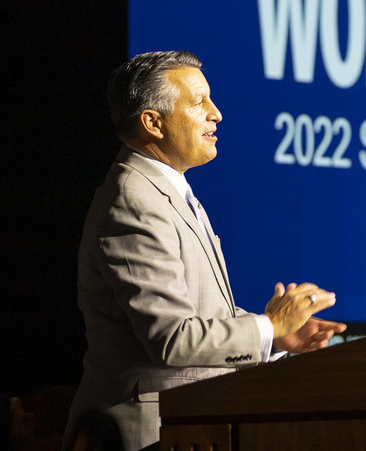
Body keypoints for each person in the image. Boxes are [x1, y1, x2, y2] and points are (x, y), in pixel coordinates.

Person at [62, 51, 346, 451]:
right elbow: (173, 339)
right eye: (199, 103)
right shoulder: (134, 200)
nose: (217, 114)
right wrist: (268, 326)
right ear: (152, 122)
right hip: (142, 434)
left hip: (184, 425)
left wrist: (276, 338)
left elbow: (197, 315)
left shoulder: (167, 191)